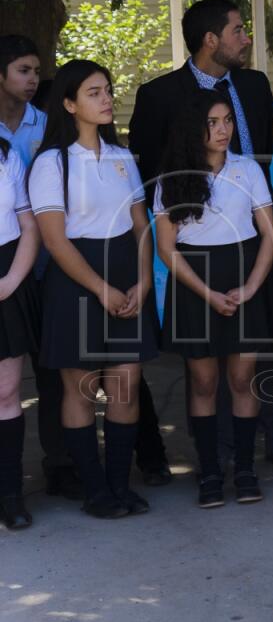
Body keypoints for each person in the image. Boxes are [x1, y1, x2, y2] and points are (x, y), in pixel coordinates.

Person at [129, 0, 273, 472]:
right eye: (238, 30)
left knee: (270, 328)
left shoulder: (254, 85)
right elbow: (151, 167)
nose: (246, 38)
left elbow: (263, 149)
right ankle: (220, 453)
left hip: (256, 221)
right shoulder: (160, 95)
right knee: (207, 356)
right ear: (211, 39)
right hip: (197, 231)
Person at [29, 60, 159, 519]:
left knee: (125, 385)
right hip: (78, 283)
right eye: (93, 92)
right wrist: (102, 290)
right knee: (81, 388)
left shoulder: (124, 159)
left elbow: (142, 226)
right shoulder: (52, 163)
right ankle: (95, 490)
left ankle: (120, 485)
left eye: (107, 90)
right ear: (69, 104)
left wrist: (144, 281)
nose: (106, 99)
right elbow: (54, 240)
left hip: (128, 274)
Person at [155, 90, 273, 507]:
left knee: (243, 380)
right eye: (212, 122)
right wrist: (207, 294)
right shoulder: (172, 178)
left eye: (227, 120)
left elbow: (270, 236)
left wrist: (251, 287)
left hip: (244, 276)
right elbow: (166, 249)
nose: (223, 129)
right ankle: (209, 471)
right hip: (195, 285)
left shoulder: (247, 170)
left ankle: (245, 468)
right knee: (204, 382)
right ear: (194, 127)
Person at [0, 34, 85, 501]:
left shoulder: (49, 124)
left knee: (56, 369)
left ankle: (62, 464)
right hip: (6, 260)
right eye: (23, 71)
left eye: (36, 71)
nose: (33, 80)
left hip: (52, 261)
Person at [0, 106, 41, 529]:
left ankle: (10, 494)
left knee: (7, 393)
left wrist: (11, 280)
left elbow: (28, 225)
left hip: (7, 276)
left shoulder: (7, 156)